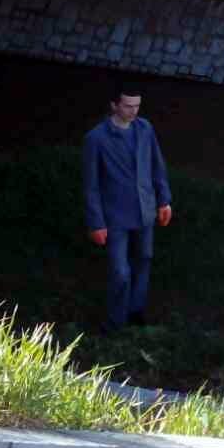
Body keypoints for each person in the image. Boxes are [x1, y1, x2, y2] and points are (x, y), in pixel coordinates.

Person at [82, 82, 173, 332]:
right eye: (127, 106)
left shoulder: (145, 129)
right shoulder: (96, 139)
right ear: (114, 105)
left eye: (137, 106)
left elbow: (157, 165)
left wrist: (164, 200)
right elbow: (91, 185)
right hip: (115, 216)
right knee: (120, 271)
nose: (133, 111)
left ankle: (135, 311)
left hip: (146, 209)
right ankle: (115, 322)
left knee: (144, 259)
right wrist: (96, 222)